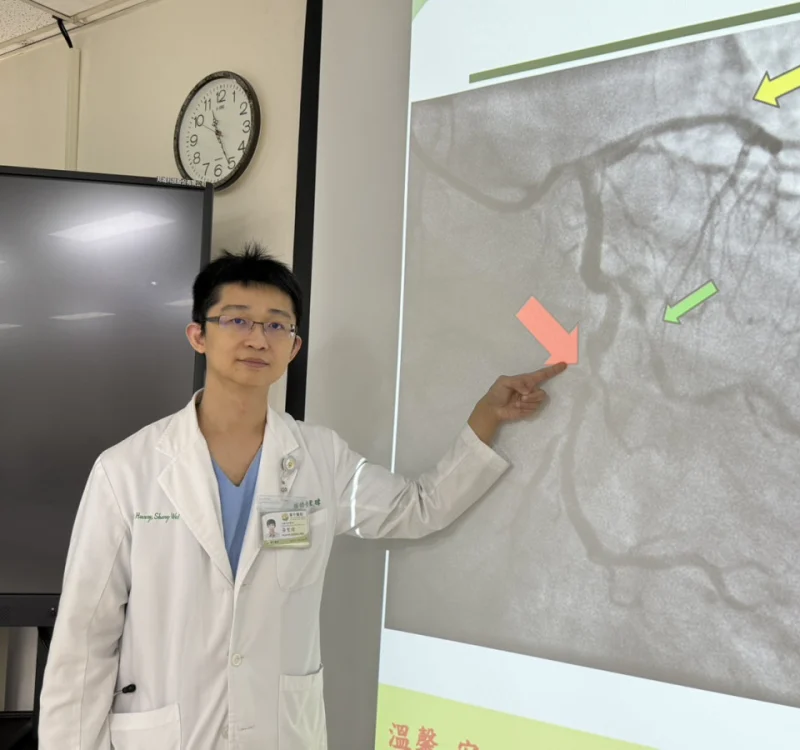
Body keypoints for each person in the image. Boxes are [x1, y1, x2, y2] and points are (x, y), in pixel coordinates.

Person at [38, 243, 566, 750]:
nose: (257, 338)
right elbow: (84, 642)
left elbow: (417, 508)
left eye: (276, 325)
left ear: (293, 348)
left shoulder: (319, 458)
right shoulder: (127, 470)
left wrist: (486, 417)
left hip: (279, 732)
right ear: (198, 335)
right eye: (237, 320)